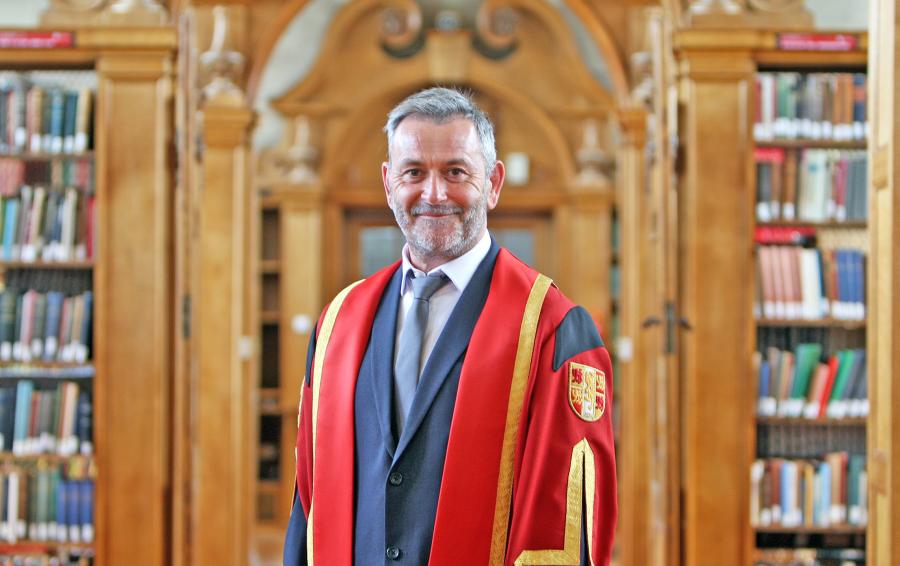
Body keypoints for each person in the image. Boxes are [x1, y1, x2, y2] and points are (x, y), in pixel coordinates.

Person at [284, 87, 617, 566]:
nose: (433, 194)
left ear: (494, 182)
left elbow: (564, 529)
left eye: (456, 172)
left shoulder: (552, 330)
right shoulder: (340, 322)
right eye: (414, 172)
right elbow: (308, 499)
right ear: (388, 183)